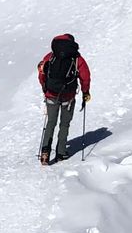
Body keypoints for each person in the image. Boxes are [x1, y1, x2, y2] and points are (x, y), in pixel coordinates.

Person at [36, 33, 91, 164]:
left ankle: (45, 152)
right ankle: (61, 152)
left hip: (51, 94)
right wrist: (85, 92)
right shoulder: (77, 58)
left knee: (50, 123)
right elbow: (85, 76)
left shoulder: (50, 56)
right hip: (68, 96)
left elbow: (42, 72)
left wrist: (45, 88)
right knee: (64, 124)